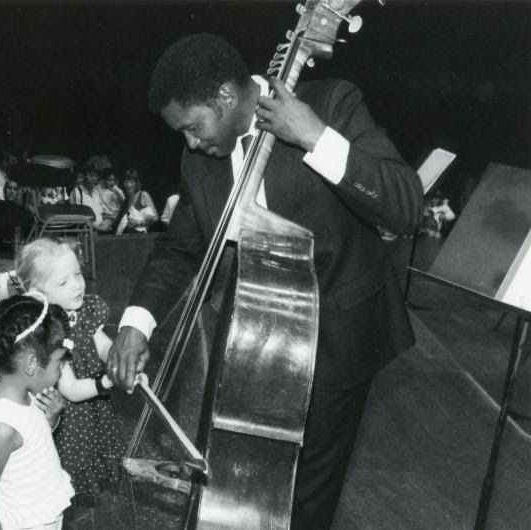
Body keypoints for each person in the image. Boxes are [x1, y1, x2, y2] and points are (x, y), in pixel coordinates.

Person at [107, 33, 424, 528]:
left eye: (193, 127)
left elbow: (406, 204)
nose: (189, 143)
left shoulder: (332, 102)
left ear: (227, 99)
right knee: (232, 480)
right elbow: (180, 248)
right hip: (249, 339)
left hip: (338, 335)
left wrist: (317, 137)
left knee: (307, 497)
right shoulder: (201, 159)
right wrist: (137, 321)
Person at [0, 237, 122, 504]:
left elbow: (101, 343)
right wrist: (109, 380)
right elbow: (73, 391)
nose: (77, 285)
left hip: (92, 402)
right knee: (69, 470)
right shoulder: (46, 333)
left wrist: (118, 357)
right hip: (67, 415)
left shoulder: (86, 309)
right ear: (37, 293)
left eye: (78, 273)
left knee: (96, 445)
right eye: (63, 282)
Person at [0, 294, 76, 530]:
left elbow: (27, 445)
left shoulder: (21, 393)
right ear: (31, 365)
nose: (62, 370)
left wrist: (51, 419)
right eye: (59, 363)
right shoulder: (1, 428)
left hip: (41, 509)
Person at [115, 168, 159, 234]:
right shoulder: (126, 201)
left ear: (136, 183)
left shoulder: (143, 195)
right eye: (126, 182)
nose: (129, 185)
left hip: (143, 237)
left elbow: (156, 217)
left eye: (132, 182)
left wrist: (139, 223)